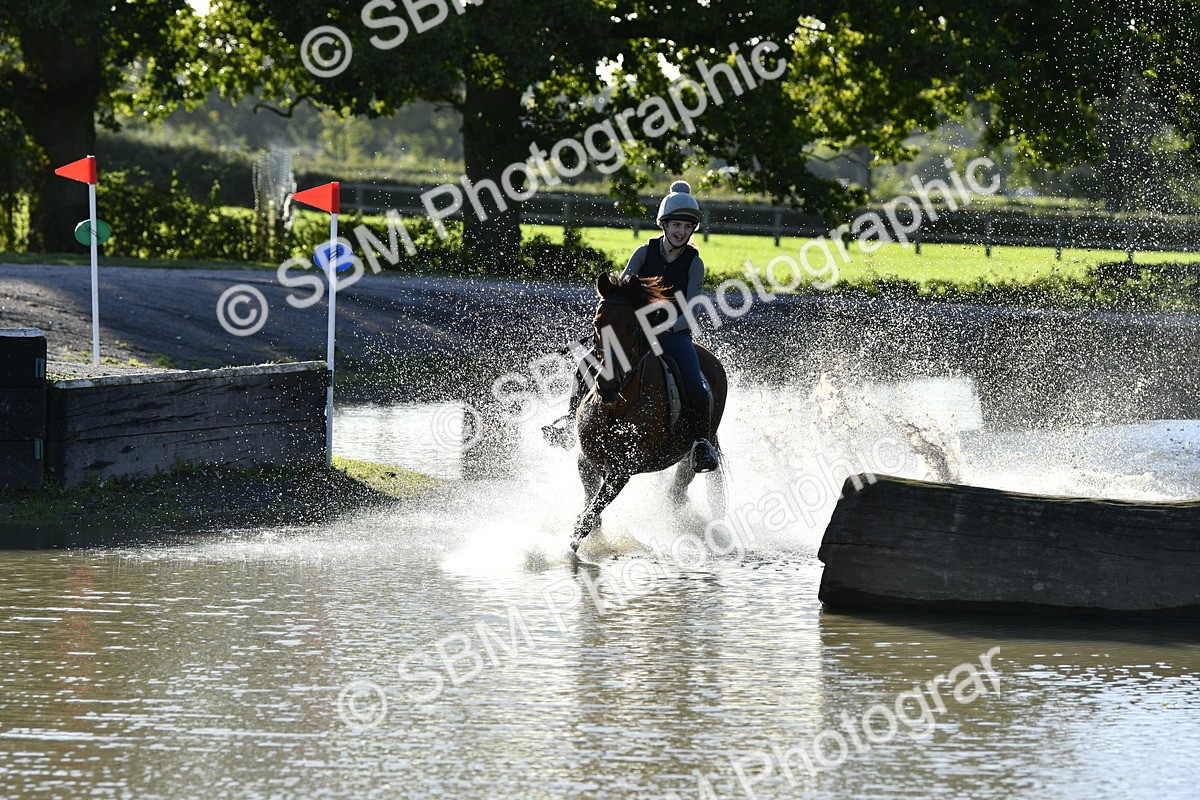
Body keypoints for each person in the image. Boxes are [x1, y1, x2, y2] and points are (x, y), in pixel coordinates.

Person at [542, 180, 720, 473]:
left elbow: (689, 310)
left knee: (695, 383)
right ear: (663, 225)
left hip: (673, 334)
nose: (681, 232)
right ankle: (569, 420)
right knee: (586, 364)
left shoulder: (693, 263)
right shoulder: (643, 252)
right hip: (635, 332)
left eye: (687, 227)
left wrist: (666, 331)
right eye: (676, 225)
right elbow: (621, 291)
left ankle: (701, 443)